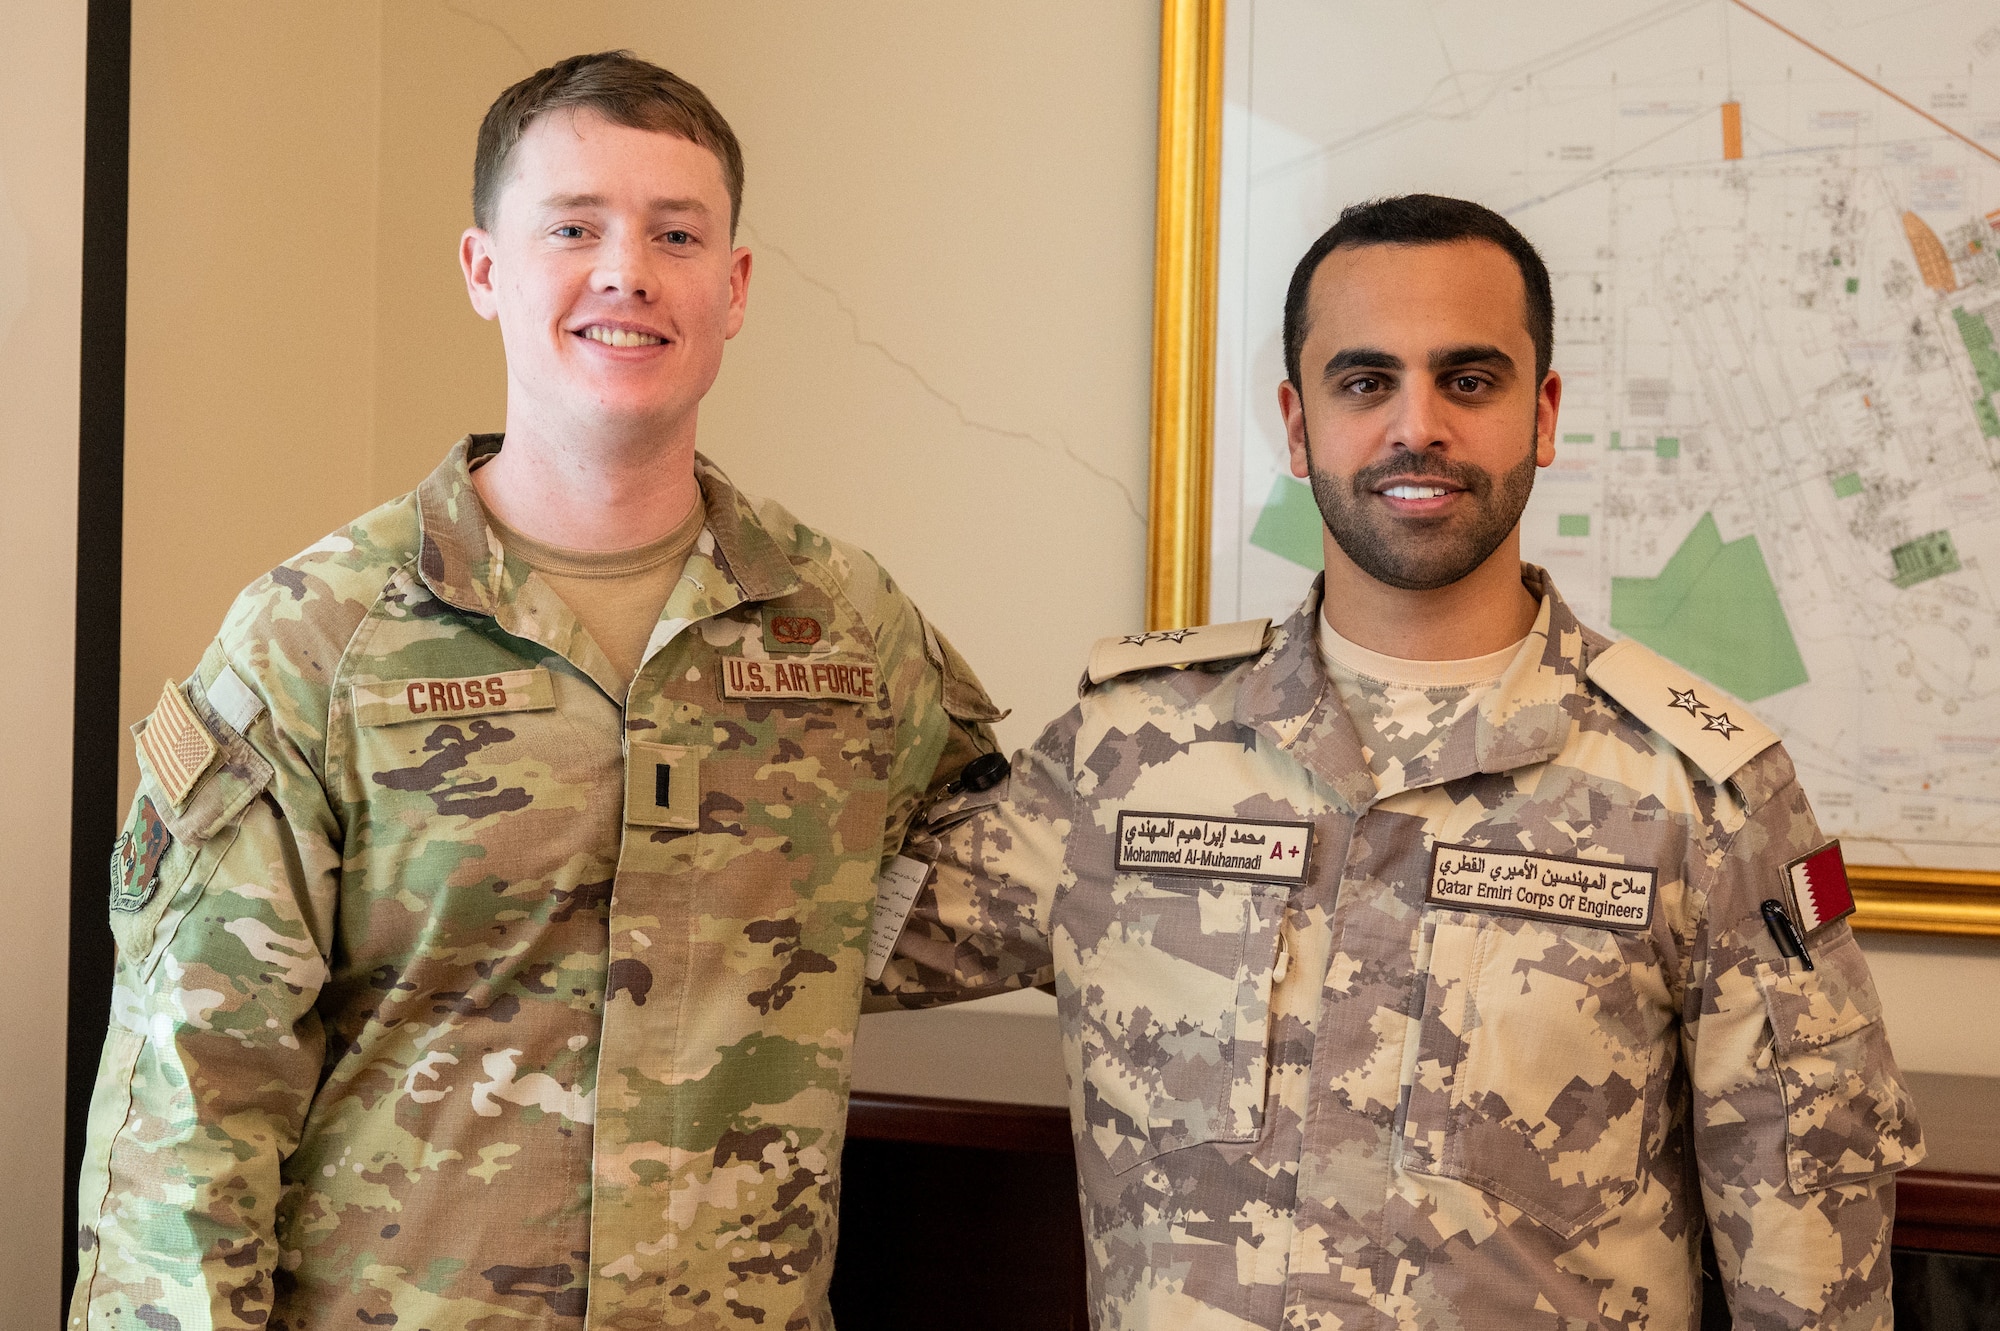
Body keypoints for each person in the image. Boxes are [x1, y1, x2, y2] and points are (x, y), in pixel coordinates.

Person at [72, 51, 1002, 1329]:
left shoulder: (844, 628)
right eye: (572, 226)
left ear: (731, 290)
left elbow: (977, 887)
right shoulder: (320, 635)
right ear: (484, 269)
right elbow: (196, 1092)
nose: (625, 270)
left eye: (675, 233)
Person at [878, 194, 1923, 1329]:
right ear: (1295, 420)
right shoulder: (1124, 760)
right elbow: (796, 931)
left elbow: (1811, 1245)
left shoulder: (1698, 793)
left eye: (1467, 380)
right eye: (1364, 381)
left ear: (1542, 412)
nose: (1415, 425)